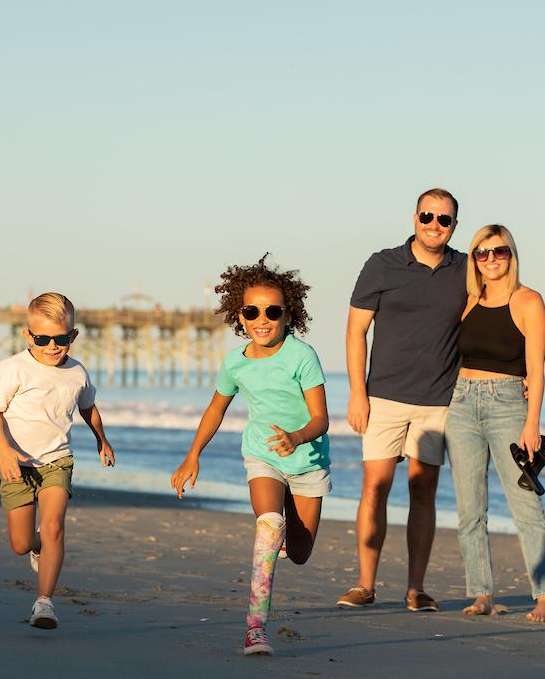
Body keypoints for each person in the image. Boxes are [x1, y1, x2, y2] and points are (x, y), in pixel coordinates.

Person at [170, 255, 330, 657]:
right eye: (252, 311)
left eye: (272, 311)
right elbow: (215, 409)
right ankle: (255, 628)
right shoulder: (235, 363)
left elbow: (321, 419)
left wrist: (296, 437)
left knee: (299, 554)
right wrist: (193, 455)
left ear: (288, 314)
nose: (262, 319)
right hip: (263, 456)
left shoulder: (302, 356)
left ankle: (282, 541)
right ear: (238, 314)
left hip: (307, 461)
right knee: (269, 523)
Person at [338, 188, 468, 612]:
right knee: (375, 487)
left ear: (454, 225)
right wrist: (357, 393)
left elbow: (496, 315)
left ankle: (416, 588)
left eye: (444, 219)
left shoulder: (466, 270)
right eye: (428, 216)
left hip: (439, 400)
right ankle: (364, 584)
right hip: (384, 396)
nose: (435, 225)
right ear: (415, 218)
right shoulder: (382, 264)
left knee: (423, 490)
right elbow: (356, 331)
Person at [0, 292, 116, 629]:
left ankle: (44, 604)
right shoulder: (13, 369)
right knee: (21, 543)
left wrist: (102, 439)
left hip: (57, 460)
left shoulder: (77, 372)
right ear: (28, 336)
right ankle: (37, 545)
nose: (52, 346)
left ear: (73, 335)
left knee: (55, 525)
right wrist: (4, 450)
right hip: (17, 463)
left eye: (61, 339)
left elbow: (88, 407)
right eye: (42, 339)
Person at [444, 224, 545, 622]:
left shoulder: (529, 301)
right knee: (469, 508)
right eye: (482, 252)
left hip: (509, 405)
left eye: (499, 251)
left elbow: (536, 371)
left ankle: (543, 594)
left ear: (511, 254)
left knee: (526, 504)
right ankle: (481, 594)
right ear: (474, 259)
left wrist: (532, 422)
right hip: (461, 403)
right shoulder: (467, 302)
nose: (490, 259)